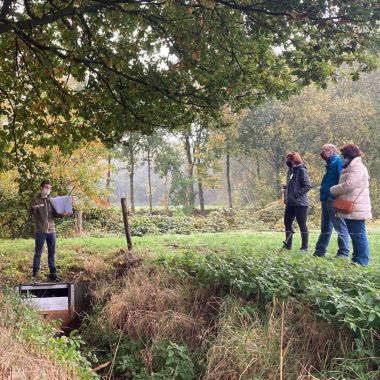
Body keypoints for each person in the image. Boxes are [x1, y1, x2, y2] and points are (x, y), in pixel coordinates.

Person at [330, 144, 372, 266]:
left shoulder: (357, 167)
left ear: (349, 154)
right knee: (354, 235)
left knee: (359, 235)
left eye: (344, 154)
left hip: (356, 206)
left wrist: (333, 189)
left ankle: (363, 261)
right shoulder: (350, 166)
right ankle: (356, 259)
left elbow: (349, 185)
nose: (342, 157)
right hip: (350, 206)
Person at [313, 144, 350, 258]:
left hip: (332, 198)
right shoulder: (329, 164)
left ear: (333, 151)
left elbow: (341, 179)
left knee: (339, 225)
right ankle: (320, 251)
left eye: (326, 151)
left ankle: (343, 252)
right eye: (323, 150)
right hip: (325, 198)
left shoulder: (337, 162)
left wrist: (333, 194)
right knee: (325, 226)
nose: (323, 153)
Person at [29, 179, 67, 281]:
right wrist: (34, 208)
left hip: (51, 230)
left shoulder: (52, 201)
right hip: (40, 230)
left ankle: (53, 273)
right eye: (46, 187)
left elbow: (55, 214)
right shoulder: (35, 200)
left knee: (52, 252)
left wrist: (63, 214)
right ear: (41, 187)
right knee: (38, 253)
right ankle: (35, 273)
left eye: (49, 188)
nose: (48, 189)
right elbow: (30, 211)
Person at [283, 151, 312, 252]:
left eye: (289, 159)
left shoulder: (302, 170)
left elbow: (307, 185)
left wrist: (296, 194)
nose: (287, 161)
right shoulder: (290, 171)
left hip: (301, 203)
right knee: (287, 223)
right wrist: (286, 189)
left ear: (294, 160)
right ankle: (287, 245)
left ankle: (304, 247)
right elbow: (292, 185)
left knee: (302, 224)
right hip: (290, 203)